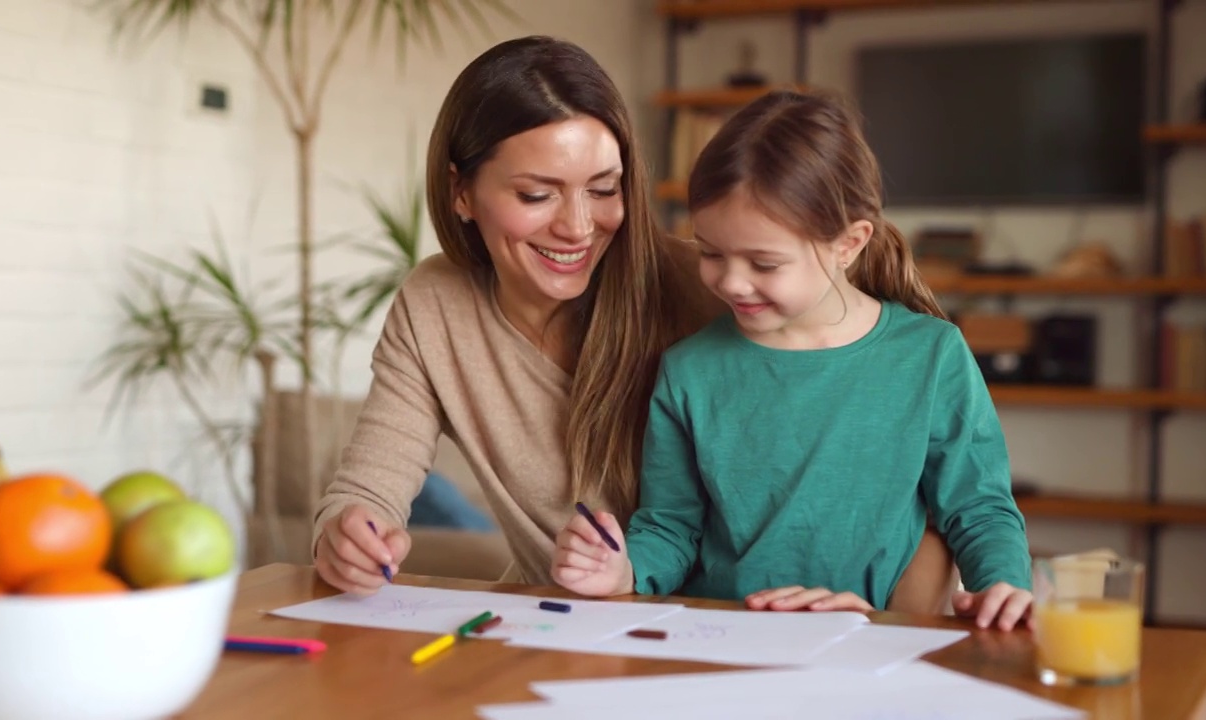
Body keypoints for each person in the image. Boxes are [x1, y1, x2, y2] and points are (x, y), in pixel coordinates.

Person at [311, 36, 956, 613]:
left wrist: (885, 617)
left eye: (604, 188)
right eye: (537, 195)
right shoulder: (434, 306)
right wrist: (351, 532)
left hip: (737, 629)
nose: (578, 226)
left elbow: (926, 488)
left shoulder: (713, 290)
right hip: (560, 634)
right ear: (460, 192)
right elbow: (370, 485)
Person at [551, 88, 1034, 631]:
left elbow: (978, 508)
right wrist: (623, 570)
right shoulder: (689, 369)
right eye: (710, 252)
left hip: (868, 644)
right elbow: (670, 525)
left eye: (764, 262)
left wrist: (1004, 587)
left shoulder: (931, 355)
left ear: (849, 244)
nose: (730, 281)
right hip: (719, 639)